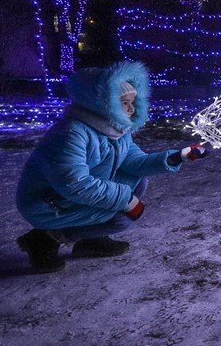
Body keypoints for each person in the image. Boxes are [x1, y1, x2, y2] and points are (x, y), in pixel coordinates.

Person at [15, 61, 208, 272]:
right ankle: (44, 238)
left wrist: (176, 157)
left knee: (138, 181)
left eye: (133, 102)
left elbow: (135, 162)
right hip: (48, 203)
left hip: (69, 197)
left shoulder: (115, 130)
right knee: (120, 219)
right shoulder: (71, 133)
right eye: (124, 103)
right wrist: (126, 200)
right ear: (103, 104)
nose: (132, 109)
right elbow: (74, 183)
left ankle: (90, 239)